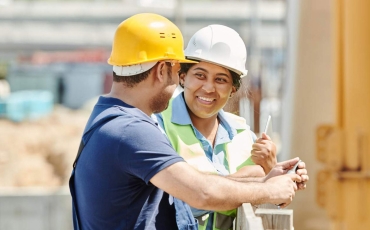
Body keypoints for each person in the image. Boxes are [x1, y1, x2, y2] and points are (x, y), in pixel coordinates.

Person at [69, 13, 307, 230]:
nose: (178, 82)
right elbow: (200, 193)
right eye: (178, 71)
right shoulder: (132, 131)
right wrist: (268, 189)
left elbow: (198, 185)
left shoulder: (109, 119)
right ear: (162, 70)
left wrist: (264, 177)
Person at [153, 24, 306, 230]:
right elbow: (174, 203)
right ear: (183, 76)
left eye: (220, 79)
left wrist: (273, 171)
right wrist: (247, 178)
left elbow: (264, 203)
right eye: (200, 75)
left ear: (233, 88)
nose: (208, 87)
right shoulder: (157, 126)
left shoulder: (245, 136)